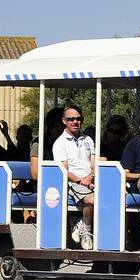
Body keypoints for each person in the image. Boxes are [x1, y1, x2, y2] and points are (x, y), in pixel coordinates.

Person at [50, 105, 96, 249]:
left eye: (78, 119)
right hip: (73, 183)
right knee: (93, 200)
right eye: (71, 119)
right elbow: (64, 170)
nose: (75, 122)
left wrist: (91, 177)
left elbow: (93, 163)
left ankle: (81, 221)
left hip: (91, 180)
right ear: (64, 121)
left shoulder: (88, 140)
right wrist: (81, 181)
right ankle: (86, 231)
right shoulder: (60, 143)